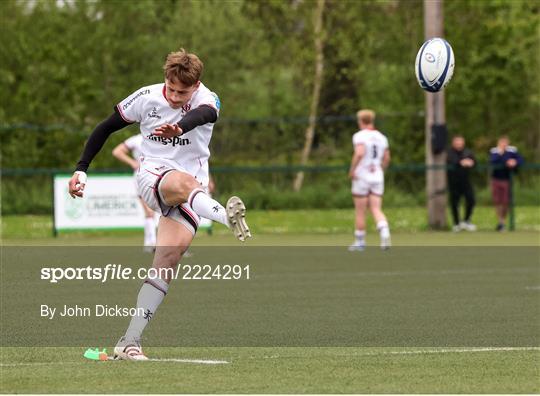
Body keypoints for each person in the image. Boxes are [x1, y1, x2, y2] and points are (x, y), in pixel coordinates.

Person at [68, 49, 251, 360]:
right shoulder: (147, 97)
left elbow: (203, 116)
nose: (175, 96)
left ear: (196, 85)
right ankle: (225, 217)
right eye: (171, 88)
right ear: (165, 78)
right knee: (181, 182)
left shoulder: (209, 98)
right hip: (154, 175)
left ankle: (129, 342)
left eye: (183, 92)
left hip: (193, 192)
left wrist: (180, 127)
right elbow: (105, 127)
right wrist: (81, 167)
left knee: (165, 263)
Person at [348, 109, 391, 251]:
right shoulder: (381, 137)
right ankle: (384, 231)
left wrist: (352, 170)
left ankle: (360, 241)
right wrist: (380, 170)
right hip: (377, 175)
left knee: (360, 210)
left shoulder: (359, 136)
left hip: (362, 175)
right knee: (376, 208)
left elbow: (359, 153)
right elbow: (386, 158)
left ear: (360, 121)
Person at [112, 134, 158, 251]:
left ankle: (152, 244)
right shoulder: (137, 139)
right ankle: (151, 243)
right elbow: (117, 151)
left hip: (158, 176)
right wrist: (132, 162)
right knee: (148, 211)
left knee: (158, 211)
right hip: (141, 177)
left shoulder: (160, 136)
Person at [489, 135, 524, 231]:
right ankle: (501, 222)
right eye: (502, 143)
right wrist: (505, 159)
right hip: (496, 179)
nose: (503, 145)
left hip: (507, 180)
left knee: (505, 202)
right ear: (498, 143)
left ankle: (502, 221)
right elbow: (493, 161)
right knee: (497, 202)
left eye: (505, 143)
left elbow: (521, 160)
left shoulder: (512, 151)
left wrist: (514, 161)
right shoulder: (494, 151)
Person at [446, 135, 476, 232]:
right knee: (454, 203)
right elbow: (451, 161)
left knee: (471, 200)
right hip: (453, 182)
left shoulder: (468, 152)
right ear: (453, 143)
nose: (459, 144)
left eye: (460, 142)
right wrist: (460, 162)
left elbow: (474, 161)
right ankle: (456, 223)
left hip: (466, 181)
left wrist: (471, 162)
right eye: (457, 142)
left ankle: (466, 221)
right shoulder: (449, 152)